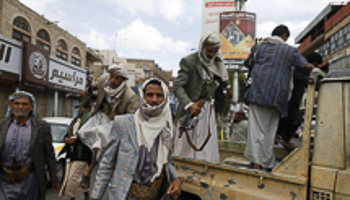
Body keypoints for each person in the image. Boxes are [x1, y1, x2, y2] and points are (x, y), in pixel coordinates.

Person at [91, 78, 181, 200]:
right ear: (142, 97)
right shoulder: (123, 124)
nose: (154, 100)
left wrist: (176, 178)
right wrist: (96, 196)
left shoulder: (169, 130)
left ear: (165, 99)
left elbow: (166, 161)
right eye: (149, 95)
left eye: (159, 95)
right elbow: (107, 164)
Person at [243, 25, 314, 170]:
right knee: (270, 130)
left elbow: (247, 63)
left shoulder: (258, 47)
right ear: (284, 36)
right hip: (277, 96)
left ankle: (255, 162)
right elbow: (306, 66)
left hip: (256, 92)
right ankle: (266, 162)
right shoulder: (290, 51)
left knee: (255, 129)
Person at [77, 62, 138, 187]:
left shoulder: (130, 96)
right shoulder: (104, 80)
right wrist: (87, 91)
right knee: (82, 133)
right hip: (99, 115)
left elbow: (129, 117)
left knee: (102, 140)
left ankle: (89, 171)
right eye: (111, 76)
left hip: (113, 123)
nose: (113, 80)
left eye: (117, 78)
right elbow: (94, 87)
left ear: (123, 79)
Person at [173, 32, 230, 162]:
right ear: (203, 47)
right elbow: (178, 87)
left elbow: (224, 83)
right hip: (190, 112)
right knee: (186, 149)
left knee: (206, 148)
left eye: (215, 52)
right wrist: (189, 105)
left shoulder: (216, 62)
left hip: (207, 113)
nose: (211, 55)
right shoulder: (189, 62)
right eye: (209, 51)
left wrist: (220, 64)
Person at [0, 91, 60, 199]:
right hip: (5, 180)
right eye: (17, 103)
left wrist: (54, 177)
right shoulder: (2, 126)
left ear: (31, 107)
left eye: (24, 104)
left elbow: (49, 155)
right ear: (11, 106)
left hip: (31, 180)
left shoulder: (41, 127)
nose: (20, 107)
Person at [276, 52, 329, 150]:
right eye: (315, 65)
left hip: (295, 98)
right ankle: (285, 141)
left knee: (293, 119)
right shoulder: (298, 68)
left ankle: (284, 139)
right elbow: (308, 81)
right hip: (289, 98)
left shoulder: (302, 70)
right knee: (291, 119)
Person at [59, 97, 92, 200]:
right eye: (78, 107)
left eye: (81, 107)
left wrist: (77, 139)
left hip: (82, 155)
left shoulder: (90, 120)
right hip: (71, 154)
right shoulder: (75, 120)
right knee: (74, 180)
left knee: (72, 182)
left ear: (87, 109)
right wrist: (66, 139)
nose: (79, 110)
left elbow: (89, 135)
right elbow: (69, 133)